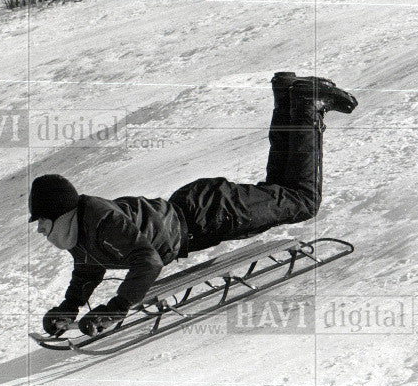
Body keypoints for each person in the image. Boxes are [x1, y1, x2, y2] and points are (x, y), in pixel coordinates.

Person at [31, 72, 357, 337]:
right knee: (281, 190)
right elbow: (87, 270)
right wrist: (69, 308)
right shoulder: (84, 235)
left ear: (65, 213)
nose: (42, 231)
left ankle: (307, 103)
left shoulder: (102, 220)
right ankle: (289, 96)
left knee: (302, 199)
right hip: (202, 212)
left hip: (213, 212)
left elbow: (148, 262)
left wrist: (113, 310)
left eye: (44, 222)